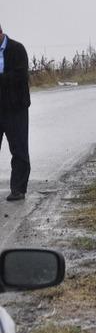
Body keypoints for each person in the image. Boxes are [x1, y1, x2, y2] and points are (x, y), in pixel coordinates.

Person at [0, 23, 30, 201]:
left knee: (19, 149)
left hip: (15, 108)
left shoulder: (17, 49)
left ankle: (18, 189)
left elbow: (20, 76)